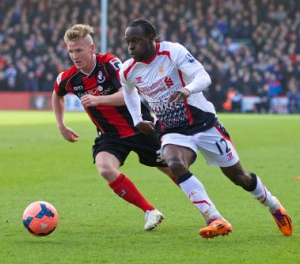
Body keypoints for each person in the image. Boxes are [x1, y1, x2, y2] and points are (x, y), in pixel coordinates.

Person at [120, 18, 293, 238]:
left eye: (136, 40)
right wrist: (136, 119)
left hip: (203, 122)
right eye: (128, 41)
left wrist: (187, 90)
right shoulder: (128, 70)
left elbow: (204, 76)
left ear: (151, 38)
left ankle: (273, 206)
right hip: (172, 129)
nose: (131, 46)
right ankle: (214, 217)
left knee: (240, 177)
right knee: (174, 163)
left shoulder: (173, 52)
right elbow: (128, 91)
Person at [52, 24, 176, 231]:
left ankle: (207, 210)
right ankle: (149, 211)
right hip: (110, 136)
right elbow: (57, 95)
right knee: (105, 168)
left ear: (91, 48)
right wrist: (61, 125)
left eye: (79, 50)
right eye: (71, 51)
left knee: (174, 169)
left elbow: (130, 95)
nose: (74, 55)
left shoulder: (110, 64)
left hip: (140, 127)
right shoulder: (69, 78)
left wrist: (99, 100)